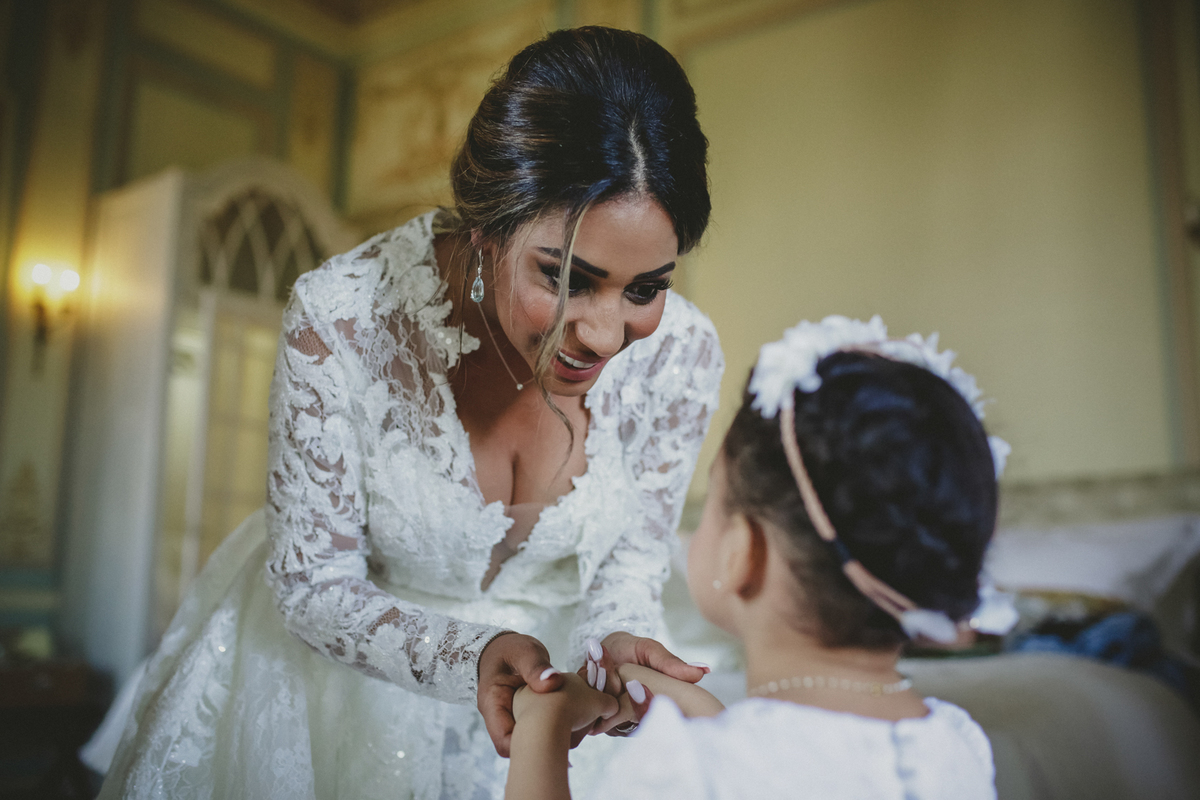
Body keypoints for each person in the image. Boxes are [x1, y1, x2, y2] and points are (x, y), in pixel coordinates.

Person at [99, 26, 722, 800]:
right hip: (341, 696)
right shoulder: (342, 318)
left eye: (644, 287)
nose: (602, 333)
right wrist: (468, 654)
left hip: (555, 719)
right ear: (489, 228)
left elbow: (629, 561)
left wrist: (615, 642)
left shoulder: (685, 357)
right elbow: (314, 584)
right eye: (565, 277)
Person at [505, 315, 1007, 800]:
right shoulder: (958, 743)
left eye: (712, 504)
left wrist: (540, 731)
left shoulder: (682, 768)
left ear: (741, 554)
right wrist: (703, 712)